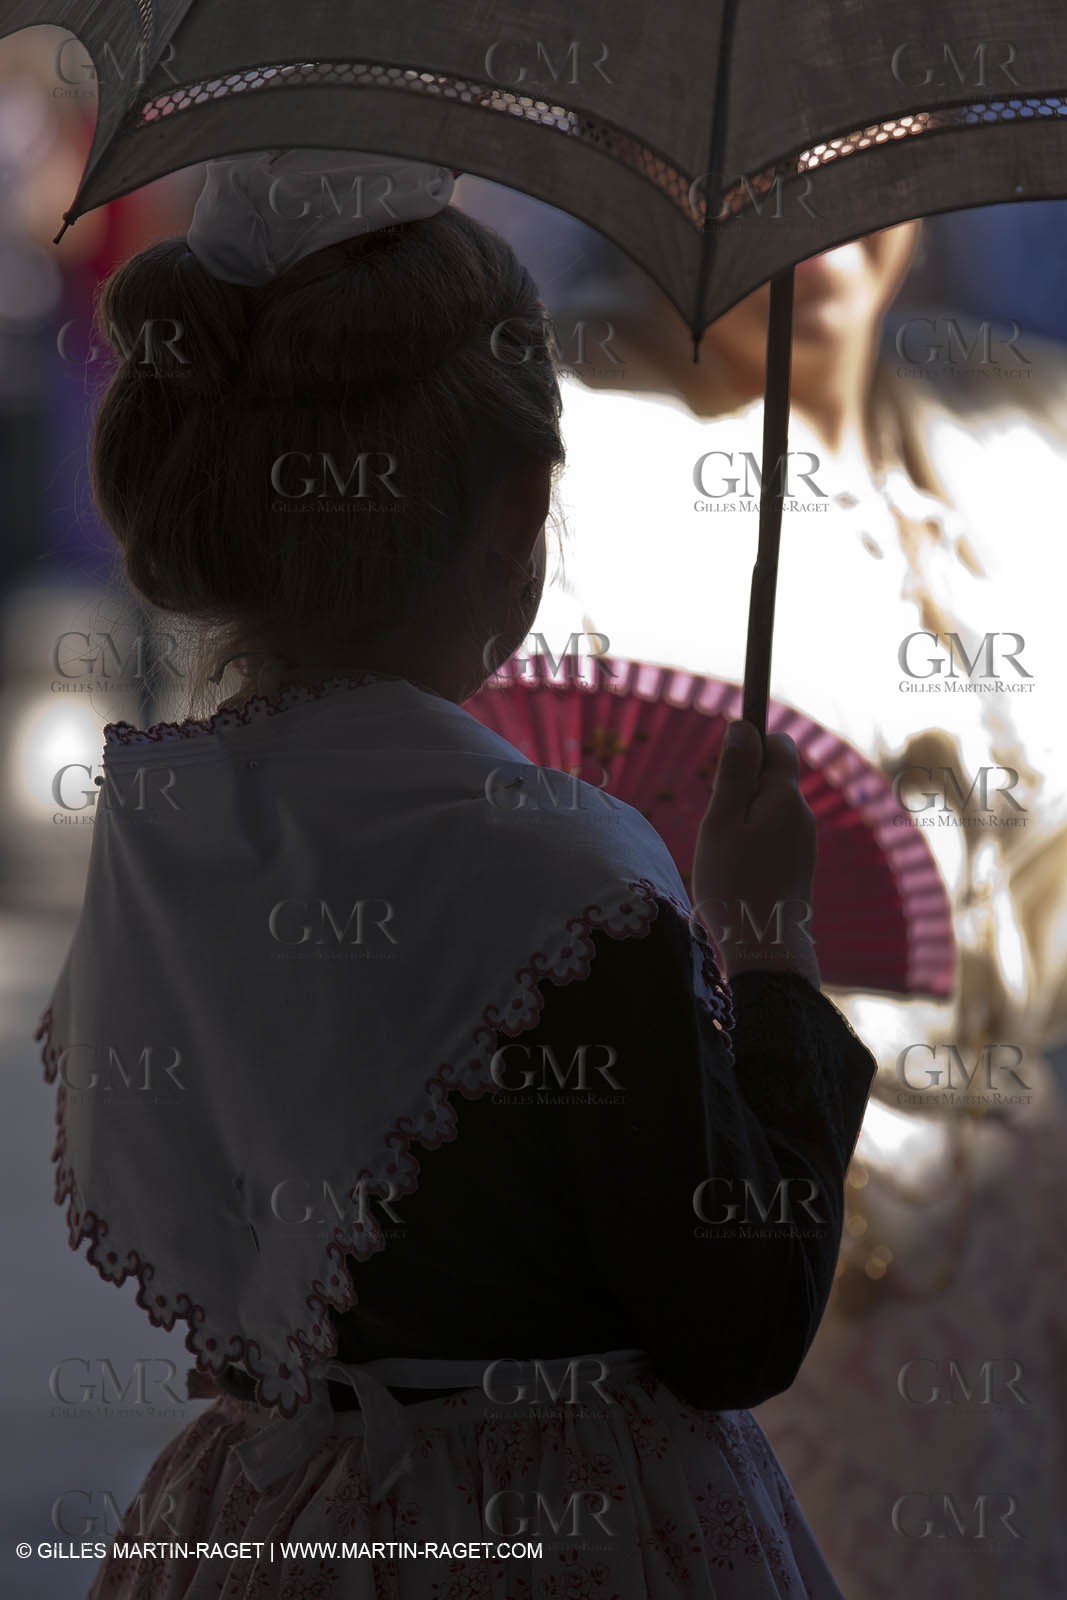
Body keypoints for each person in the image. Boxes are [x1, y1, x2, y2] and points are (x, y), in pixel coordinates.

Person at [36, 148, 876, 1600]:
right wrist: (770, 945)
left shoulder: (162, 818)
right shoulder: (567, 872)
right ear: (516, 513)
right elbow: (740, 1317)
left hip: (266, 1526)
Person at [531, 222, 1067, 1599]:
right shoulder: (555, 463)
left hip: (1002, 1234)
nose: (816, 215)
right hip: (738, 1215)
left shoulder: (1020, 458)